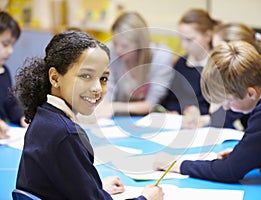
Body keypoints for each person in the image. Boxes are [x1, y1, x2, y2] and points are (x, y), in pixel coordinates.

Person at [13, 31, 163, 200]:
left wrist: (94, 187)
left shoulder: (46, 116)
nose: (98, 88)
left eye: (103, 79)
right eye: (86, 76)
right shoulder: (65, 134)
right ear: (55, 78)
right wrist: (146, 199)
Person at [155, 41, 261, 199]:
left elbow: (229, 171)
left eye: (229, 101)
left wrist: (177, 165)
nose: (227, 108)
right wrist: (251, 153)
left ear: (250, 93)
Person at [95, 11, 174, 118]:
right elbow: (107, 90)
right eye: (115, 43)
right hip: (117, 119)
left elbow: (152, 104)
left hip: (151, 118)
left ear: (140, 44)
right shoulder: (110, 51)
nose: (118, 50)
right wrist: (101, 109)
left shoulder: (161, 57)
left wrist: (114, 107)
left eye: (124, 46)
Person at [161, 9, 217, 128]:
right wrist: (172, 111)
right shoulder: (181, 63)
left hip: (205, 127)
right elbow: (171, 98)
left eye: (189, 39)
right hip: (180, 125)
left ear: (207, 35)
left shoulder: (218, 66)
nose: (184, 45)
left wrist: (196, 113)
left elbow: (219, 109)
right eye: (181, 39)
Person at [0, 11, 27, 139]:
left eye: (12, 45)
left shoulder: (4, 71)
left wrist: (22, 117)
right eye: (5, 44)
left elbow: (10, 102)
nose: (10, 51)